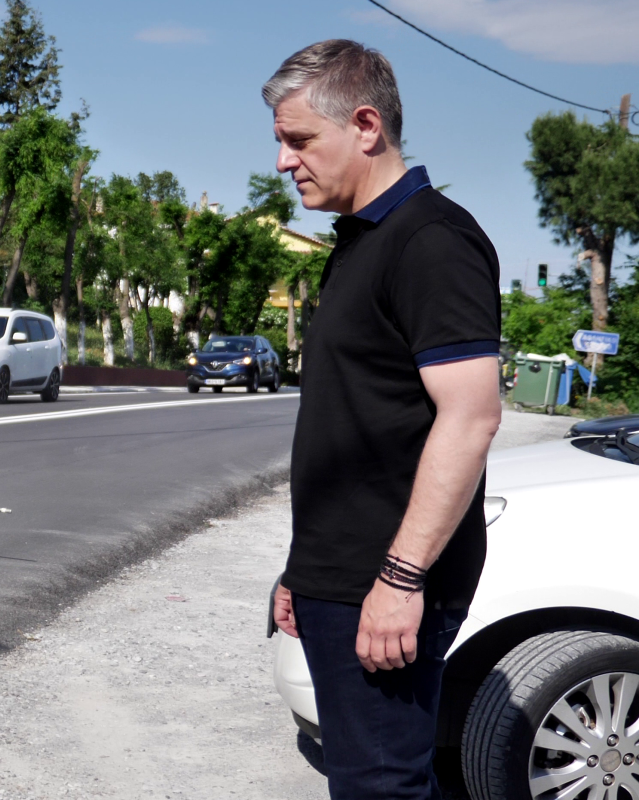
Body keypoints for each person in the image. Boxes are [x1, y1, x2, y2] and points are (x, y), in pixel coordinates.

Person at [263, 40, 502, 799]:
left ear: (365, 125)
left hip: (388, 578)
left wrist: (401, 580)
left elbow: (471, 418)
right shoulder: (363, 241)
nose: (282, 161)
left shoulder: (431, 241)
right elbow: (355, 429)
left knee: (380, 786)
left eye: (298, 139)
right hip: (343, 571)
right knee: (372, 778)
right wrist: (303, 571)